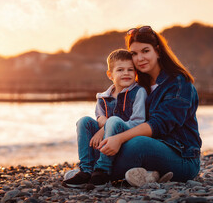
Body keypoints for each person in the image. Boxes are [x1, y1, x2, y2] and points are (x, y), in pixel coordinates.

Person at [97, 26, 202, 186]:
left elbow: (159, 124)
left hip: (182, 158)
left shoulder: (179, 83)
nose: (140, 58)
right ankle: (147, 175)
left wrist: (118, 139)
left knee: (137, 144)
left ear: (158, 51)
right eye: (134, 54)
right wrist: (103, 132)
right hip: (150, 149)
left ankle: (93, 172)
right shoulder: (138, 86)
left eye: (145, 51)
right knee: (90, 129)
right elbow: (124, 120)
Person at [62, 49, 148, 189]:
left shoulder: (139, 92)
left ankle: (103, 171)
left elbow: (138, 122)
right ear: (110, 75)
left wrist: (103, 129)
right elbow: (100, 119)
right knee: (84, 121)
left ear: (136, 73)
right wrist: (103, 127)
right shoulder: (103, 97)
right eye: (120, 70)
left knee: (113, 120)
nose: (126, 73)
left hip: (126, 138)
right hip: (106, 141)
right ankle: (86, 170)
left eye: (130, 70)